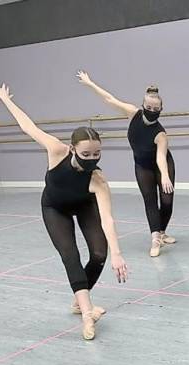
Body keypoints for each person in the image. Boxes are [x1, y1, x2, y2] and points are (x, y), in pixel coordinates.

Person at [0, 84, 129, 340]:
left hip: (83, 204)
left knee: (99, 254)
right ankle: (87, 312)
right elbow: (28, 127)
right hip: (55, 208)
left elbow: (108, 218)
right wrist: (6, 100)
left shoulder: (98, 180)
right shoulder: (56, 150)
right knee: (70, 254)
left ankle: (80, 300)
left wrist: (117, 255)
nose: (92, 158)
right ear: (72, 148)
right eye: (86, 153)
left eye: (97, 153)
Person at [77, 71, 176, 258]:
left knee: (167, 201)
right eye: (149, 107)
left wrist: (165, 176)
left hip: (161, 165)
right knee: (150, 200)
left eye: (156, 109)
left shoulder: (160, 134)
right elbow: (109, 99)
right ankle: (155, 237)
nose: (152, 111)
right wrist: (90, 83)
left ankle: (162, 232)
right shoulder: (133, 114)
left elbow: (161, 158)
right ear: (143, 105)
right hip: (142, 166)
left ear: (161, 110)